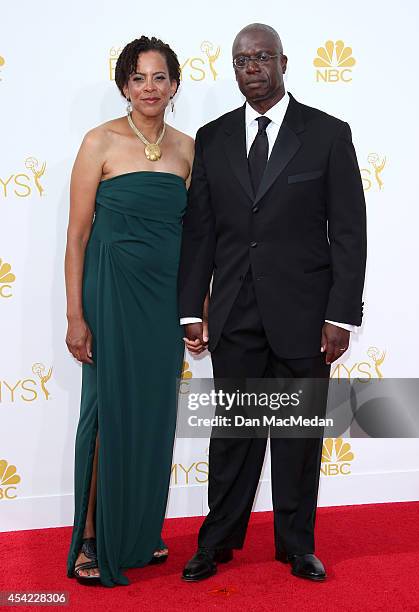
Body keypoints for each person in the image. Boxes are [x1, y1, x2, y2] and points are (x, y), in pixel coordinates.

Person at [179, 23, 366, 582]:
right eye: (241, 60)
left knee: (298, 437)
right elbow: (201, 234)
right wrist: (193, 307)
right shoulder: (211, 139)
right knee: (233, 435)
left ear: (284, 61)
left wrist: (339, 315)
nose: (252, 67)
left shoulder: (328, 134)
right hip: (235, 314)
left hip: (307, 318)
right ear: (233, 69)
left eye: (262, 57)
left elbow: (349, 232)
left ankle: (296, 544)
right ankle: (217, 542)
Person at [64, 35, 193, 587]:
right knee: (108, 412)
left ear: (173, 85)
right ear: (123, 85)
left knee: (153, 412)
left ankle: (138, 531)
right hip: (110, 292)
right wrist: (75, 315)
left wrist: (197, 306)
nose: (149, 88)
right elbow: (76, 236)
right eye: (138, 78)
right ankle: (93, 535)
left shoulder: (189, 148)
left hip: (164, 300)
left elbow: (195, 236)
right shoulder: (99, 142)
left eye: (159, 77)